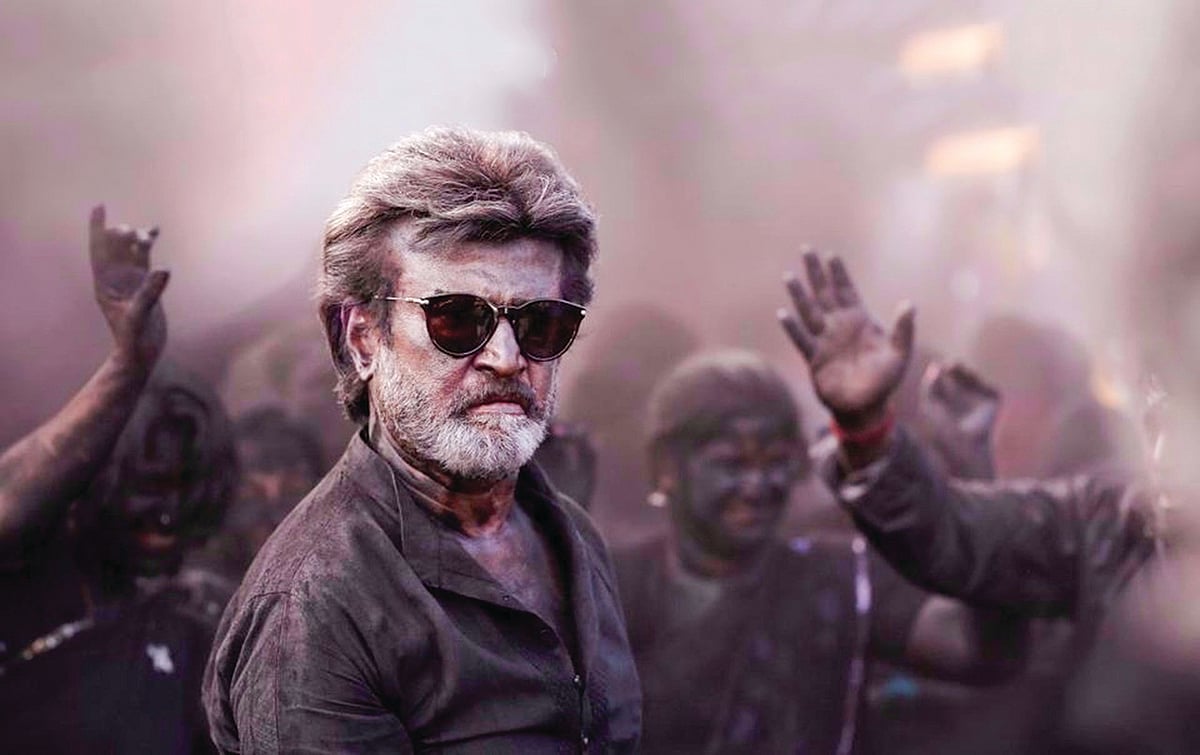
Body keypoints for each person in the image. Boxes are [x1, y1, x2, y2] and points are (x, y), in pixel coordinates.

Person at [204, 128, 641, 753]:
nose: (506, 358)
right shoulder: (315, 609)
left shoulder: (573, 536)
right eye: (457, 318)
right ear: (362, 339)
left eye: (541, 323)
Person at [777, 250, 1161, 752]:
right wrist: (865, 429)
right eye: (1159, 413)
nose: (1171, 441)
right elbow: (954, 533)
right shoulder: (1107, 521)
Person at [613, 349, 1025, 755]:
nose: (757, 485)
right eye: (731, 463)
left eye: (775, 462)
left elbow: (979, 651)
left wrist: (974, 467)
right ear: (666, 467)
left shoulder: (837, 580)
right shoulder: (609, 586)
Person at [0, 206, 237, 753]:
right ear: (87, 482)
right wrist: (129, 368)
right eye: (148, 486)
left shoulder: (199, 622)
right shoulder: (25, 583)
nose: (167, 513)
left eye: (185, 490)